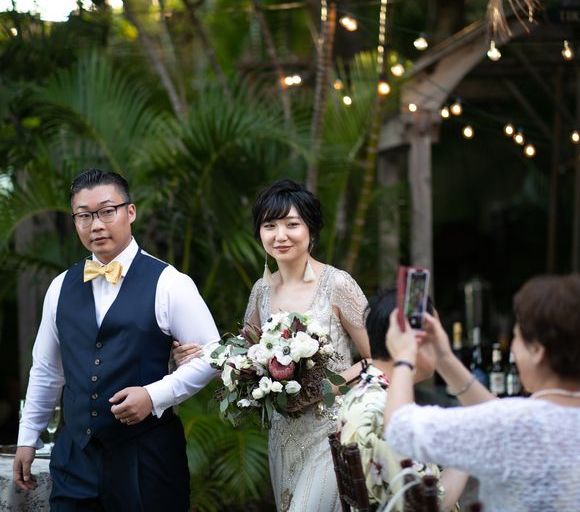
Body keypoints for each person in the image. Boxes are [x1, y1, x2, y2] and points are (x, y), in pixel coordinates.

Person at [13, 169, 220, 511]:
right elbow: (47, 369)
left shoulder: (170, 283)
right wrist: (27, 438)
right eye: (84, 215)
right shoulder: (59, 287)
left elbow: (213, 356)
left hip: (148, 461)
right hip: (74, 461)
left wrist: (153, 395)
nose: (96, 225)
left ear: (130, 212)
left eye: (107, 211)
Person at [174, 179, 371, 512]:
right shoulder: (261, 291)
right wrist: (199, 354)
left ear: (311, 229)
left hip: (333, 429)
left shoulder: (337, 284)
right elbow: (243, 360)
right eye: (270, 226)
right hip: (282, 436)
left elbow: (379, 359)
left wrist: (324, 389)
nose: (280, 235)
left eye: (292, 224)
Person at [384, 273, 580, 512]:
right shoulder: (519, 420)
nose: (513, 348)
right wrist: (444, 357)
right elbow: (495, 411)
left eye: (517, 338)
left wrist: (404, 358)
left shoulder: (515, 424)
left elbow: (400, 429)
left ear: (537, 351)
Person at [337, 287, 466, 511]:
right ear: (411, 341)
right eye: (434, 335)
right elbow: (431, 504)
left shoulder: (367, 392)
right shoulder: (380, 412)